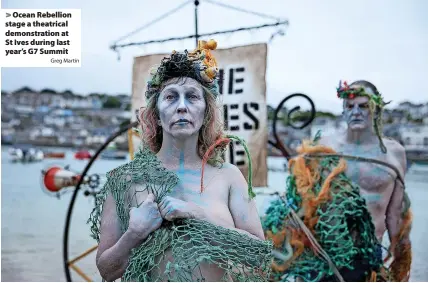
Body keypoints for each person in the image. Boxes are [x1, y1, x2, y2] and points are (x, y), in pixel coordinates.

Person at [88, 40, 273, 282]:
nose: (182, 107)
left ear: (206, 111)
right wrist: (134, 234)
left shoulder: (229, 176)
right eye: (171, 97)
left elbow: (259, 255)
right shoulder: (124, 180)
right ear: (155, 113)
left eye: (192, 97)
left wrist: (199, 215)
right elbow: (106, 271)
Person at [262, 80, 412, 282]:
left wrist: (398, 255)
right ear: (343, 110)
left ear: (376, 110)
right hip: (321, 254)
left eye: (363, 106)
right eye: (350, 106)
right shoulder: (324, 148)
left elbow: (395, 215)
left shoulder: (394, 154)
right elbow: (302, 199)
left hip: (368, 255)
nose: (356, 112)